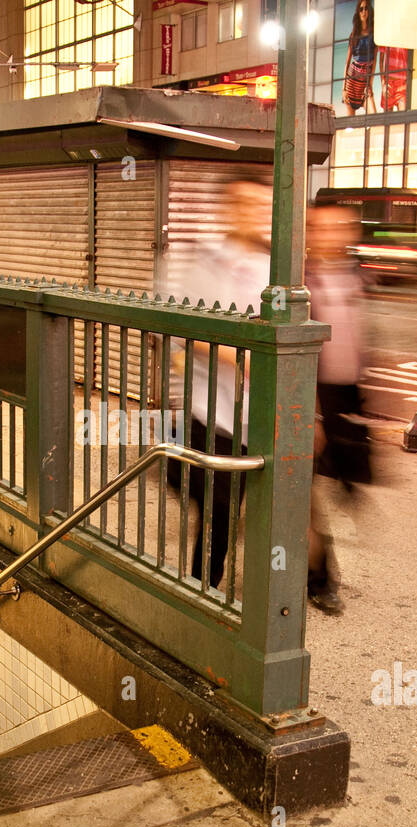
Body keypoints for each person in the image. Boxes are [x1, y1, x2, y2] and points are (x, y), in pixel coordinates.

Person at [165, 178, 265, 590]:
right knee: (201, 492)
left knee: (225, 507)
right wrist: (235, 351)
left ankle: (207, 585)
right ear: (228, 208)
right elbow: (178, 330)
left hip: (252, 413)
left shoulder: (273, 268)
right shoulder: (205, 259)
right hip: (205, 407)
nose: (252, 212)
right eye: (243, 203)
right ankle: (204, 585)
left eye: (261, 205)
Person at [305, 202, 370, 615]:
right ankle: (321, 578)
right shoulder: (300, 281)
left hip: (345, 396)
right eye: (321, 228)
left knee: (340, 479)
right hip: (312, 395)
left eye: (339, 227)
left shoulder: (354, 277)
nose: (331, 235)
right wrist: (311, 415)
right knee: (304, 495)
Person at [342, 0, 378, 116]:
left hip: (365, 82)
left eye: (366, 8)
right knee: (350, 124)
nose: (363, 12)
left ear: (370, 11)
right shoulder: (354, 35)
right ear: (358, 12)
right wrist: (343, 89)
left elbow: (374, 62)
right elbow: (347, 63)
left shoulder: (374, 34)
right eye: (361, 9)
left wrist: (370, 84)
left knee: (374, 116)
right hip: (352, 81)